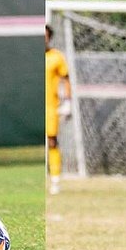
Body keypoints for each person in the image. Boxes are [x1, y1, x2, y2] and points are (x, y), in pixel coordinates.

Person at [45, 24, 72, 194]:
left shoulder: (56, 57)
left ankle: (55, 179)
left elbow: (65, 79)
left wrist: (67, 102)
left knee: (52, 141)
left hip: (50, 106)